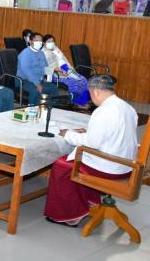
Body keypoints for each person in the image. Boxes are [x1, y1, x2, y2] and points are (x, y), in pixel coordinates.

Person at [43, 75, 138, 226]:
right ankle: (90, 202)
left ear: (95, 92)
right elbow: (116, 133)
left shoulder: (103, 111)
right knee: (75, 160)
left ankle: (71, 215)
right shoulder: (127, 107)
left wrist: (67, 134)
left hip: (110, 167)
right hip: (127, 165)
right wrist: (88, 131)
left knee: (62, 166)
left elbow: (92, 143)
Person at [42, 34, 89, 106]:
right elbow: (46, 68)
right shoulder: (44, 52)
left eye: (52, 41)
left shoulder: (56, 49)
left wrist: (70, 69)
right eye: (49, 41)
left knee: (83, 79)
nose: (51, 43)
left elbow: (65, 60)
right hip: (55, 74)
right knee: (74, 83)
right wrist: (61, 71)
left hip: (66, 69)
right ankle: (73, 100)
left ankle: (83, 99)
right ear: (44, 43)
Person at [17, 33, 59, 105]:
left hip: (39, 79)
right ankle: (33, 108)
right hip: (25, 81)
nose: (39, 43)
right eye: (36, 41)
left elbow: (45, 67)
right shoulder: (25, 53)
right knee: (37, 91)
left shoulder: (41, 53)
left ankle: (50, 107)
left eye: (40, 41)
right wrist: (37, 84)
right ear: (30, 42)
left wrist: (53, 72)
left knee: (54, 88)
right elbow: (27, 71)